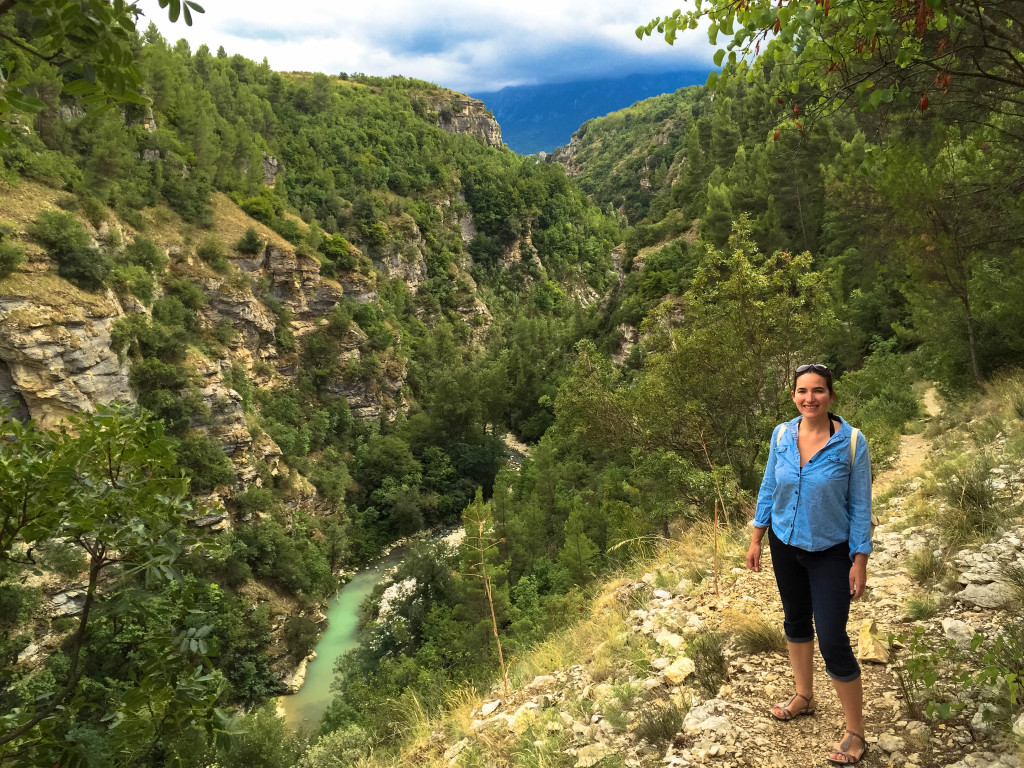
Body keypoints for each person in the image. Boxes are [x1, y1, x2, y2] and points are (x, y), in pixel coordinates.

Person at [746, 363, 872, 765]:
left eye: (818, 391)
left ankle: (855, 732)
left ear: (831, 396)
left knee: (833, 637)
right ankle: (805, 695)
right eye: (803, 391)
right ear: (794, 396)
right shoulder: (782, 435)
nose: (810, 398)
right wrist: (757, 536)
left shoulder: (852, 442)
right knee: (796, 621)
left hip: (831, 551)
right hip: (785, 543)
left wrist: (860, 559)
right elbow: (769, 484)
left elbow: (860, 505)